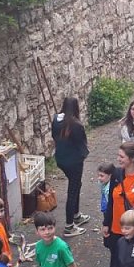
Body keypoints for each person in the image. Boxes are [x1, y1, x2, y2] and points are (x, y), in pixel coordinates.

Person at [51, 96, 91, 236]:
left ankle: (76, 215)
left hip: (61, 159)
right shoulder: (76, 125)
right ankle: (69, 226)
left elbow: (54, 136)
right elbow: (82, 143)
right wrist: (84, 155)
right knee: (73, 190)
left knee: (77, 185)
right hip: (74, 162)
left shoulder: (56, 119)